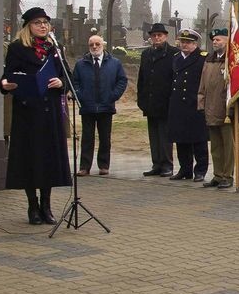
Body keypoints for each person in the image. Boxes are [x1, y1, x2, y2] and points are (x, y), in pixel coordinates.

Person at [0, 7, 72, 225]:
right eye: (38, 22)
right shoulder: (17, 48)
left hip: (49, 114)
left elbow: (67, 75)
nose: (43, 26)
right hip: (27, 113)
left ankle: (47, 206)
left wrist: (62, 83)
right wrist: (4, 84)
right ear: (28, 26)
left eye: (46, 22)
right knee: (30, 160)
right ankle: (32, 206)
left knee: (47, 161)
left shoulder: (54, 49)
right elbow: (6, 77)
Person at [72, 35, 128, 176]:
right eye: (91, 45)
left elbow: (122, 80)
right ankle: (85, 167)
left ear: (103, 45)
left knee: (105, 137)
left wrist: (113, 95)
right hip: (88, 106)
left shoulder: (114, 63)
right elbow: (75, 82)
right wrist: (81, 95)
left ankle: (104, 165)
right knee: (87, 138)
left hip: (106, 106)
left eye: (97, 44)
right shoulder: (81, 64)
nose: (95, 47)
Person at [168, 28, 209, 182]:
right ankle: (185, 169)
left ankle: (200, 170)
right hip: (178, 104)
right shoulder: (176, 58)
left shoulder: (202, 58)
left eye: (188, 42)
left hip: (194, 103)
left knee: (198, 139)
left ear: (195, 43)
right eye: (182, 42)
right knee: (181, 138)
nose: (184, 45)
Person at [137, 23, 177, 176]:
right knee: (153, 135)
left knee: (165, 135)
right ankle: (157, 164)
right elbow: (142, 78)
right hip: (150, 100)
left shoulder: (173, 53)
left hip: (166, 101)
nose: (157, 38)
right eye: (154, 35)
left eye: (160, 35)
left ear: (165, 36)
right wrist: (141, 99)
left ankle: (167, 164)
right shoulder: (146, 54)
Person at [198, 27, 234, 189]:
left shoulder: (232, 60)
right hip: (211, 107)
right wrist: (201, 104)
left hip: (226, 109)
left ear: (228, 41)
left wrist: (232, 108)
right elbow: (203, 85)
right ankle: (218, 175)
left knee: (228, 145)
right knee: (215, 145)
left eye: (218, 39)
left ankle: (227, 175)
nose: (215, 42)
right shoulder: (210, 59)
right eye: (214, 39)